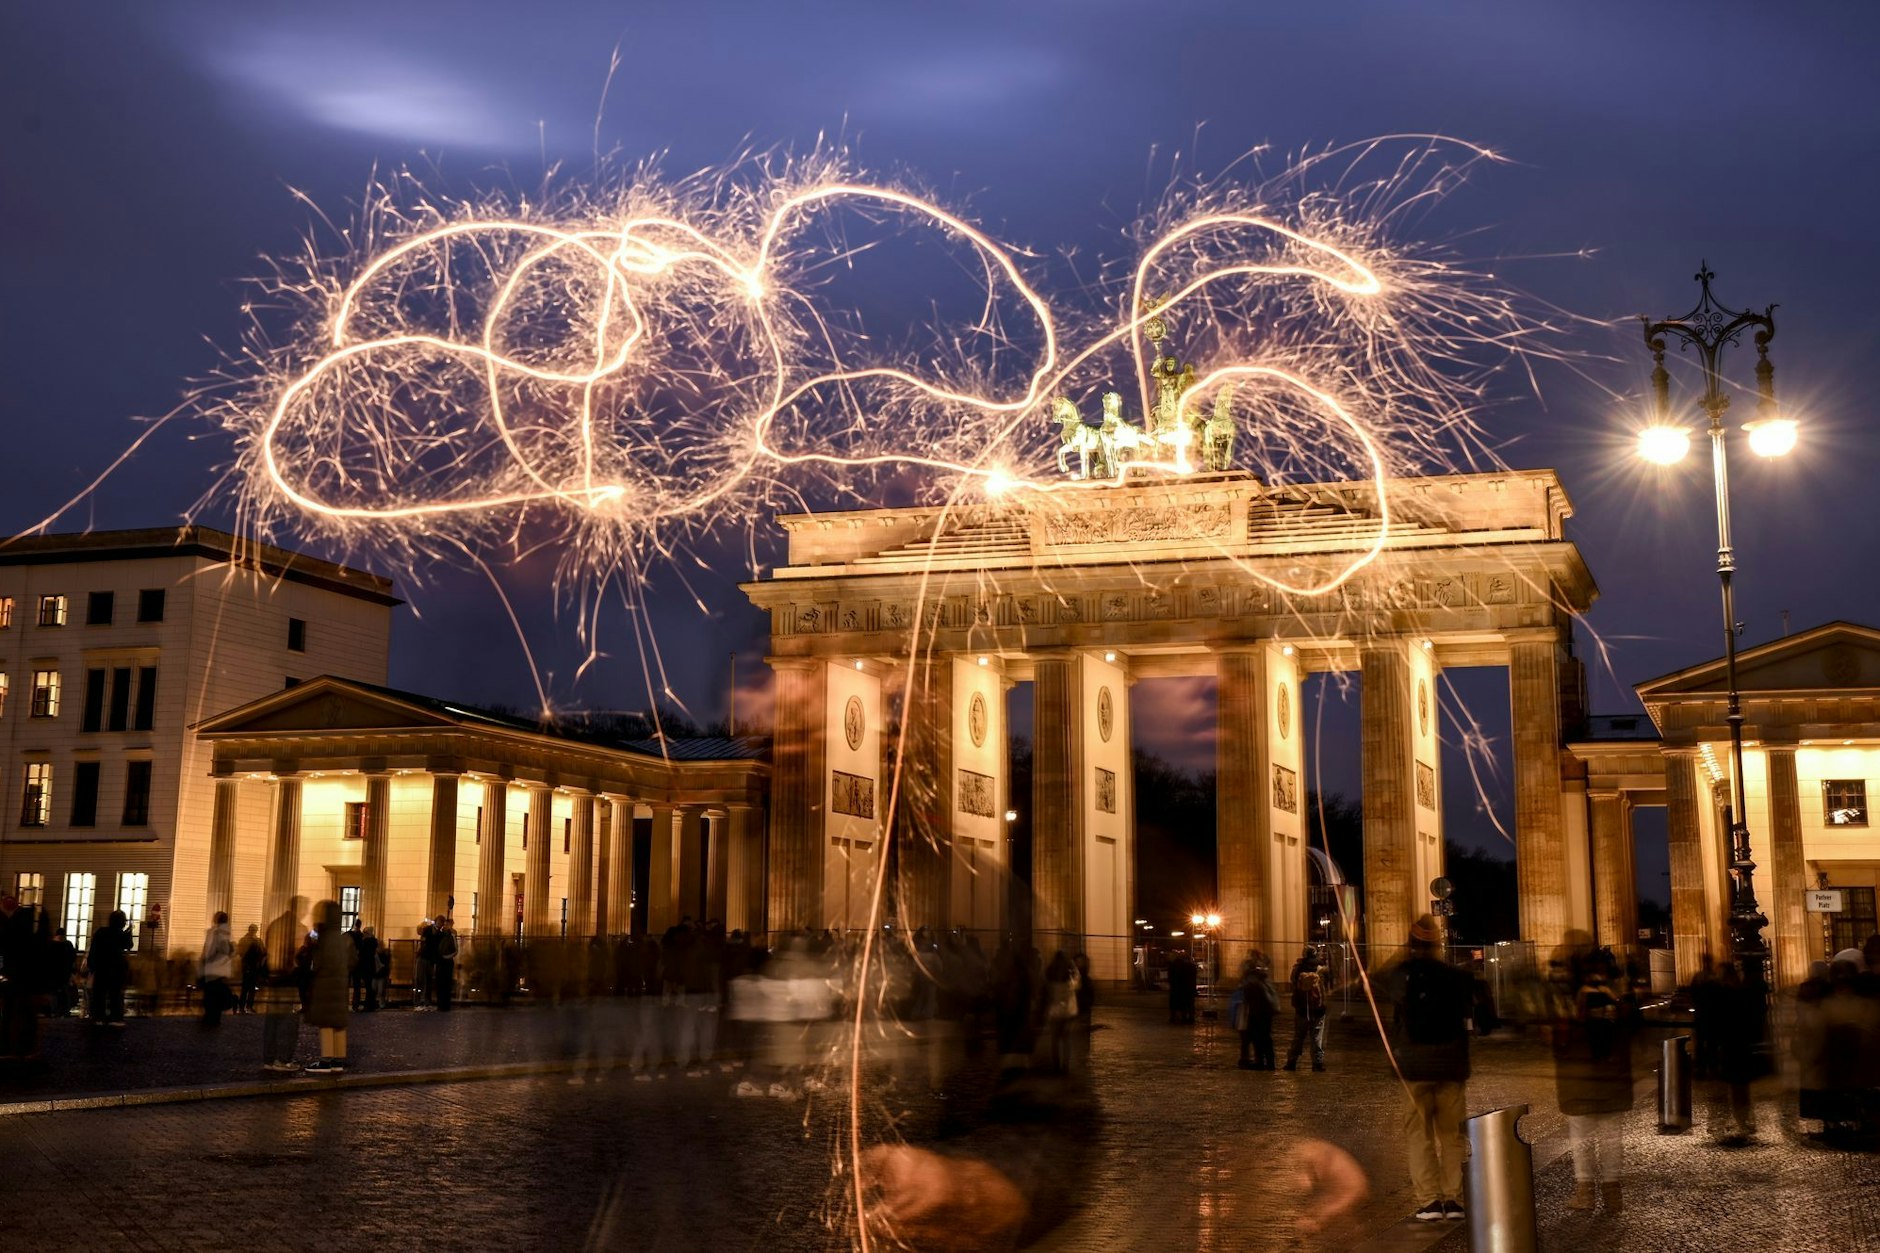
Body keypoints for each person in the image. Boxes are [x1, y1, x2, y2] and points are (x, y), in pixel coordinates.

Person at [1389, 914, 1477, 1222]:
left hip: (1414, 1068)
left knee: (1419, 1135)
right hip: (1451, 1066)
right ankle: (1453, 1200)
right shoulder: (1455, 976)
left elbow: (1383, 992)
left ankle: (1429, 1202)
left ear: (1411, 944)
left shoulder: (1403, 974)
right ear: (1438, 944)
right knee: (1451, 1135)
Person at [1552, 948, 1636, 1213]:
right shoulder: (1618, 999)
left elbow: (1561, 1042)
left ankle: (1585, 1194)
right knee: (1612, 1140)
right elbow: (1631, 1034)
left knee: (1581, 1141)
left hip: (1581, 1083)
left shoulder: (1572, 1001)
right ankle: (1613, 1197)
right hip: (1613, 1081)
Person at [303, 899, 350, 1073]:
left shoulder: (326, 938)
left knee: (326, 1024)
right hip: (339, 986)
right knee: (338, 1024)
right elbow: (351, 960)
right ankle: (338, 1060)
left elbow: (320, 963)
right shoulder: (341, 938)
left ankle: (325, 1060)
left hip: (326, 986)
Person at [1229, 957, 1280, 1070]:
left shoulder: (1250, 981)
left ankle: (1258, 1061)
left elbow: (1248, 999)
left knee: (1255, 1038)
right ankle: (1268, 1062)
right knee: (1265, 1039)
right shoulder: (1264, 979)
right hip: (1266, 1014)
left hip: (1255, 1014)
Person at [1284, 947, 1328, 1072]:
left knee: (1298, 1036)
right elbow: (1329, 979)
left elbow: (1292, 981)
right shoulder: (1321, 967)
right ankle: (1317, 1063)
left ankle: (1291, 1062)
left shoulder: (1298, 967)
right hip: (1318, 1009)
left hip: (1302, 1008)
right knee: (1317, 1037)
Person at [88, 910, 132, 1027]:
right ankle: (115, 1017)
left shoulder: (101, 932)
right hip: (116, 968)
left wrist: (91, 966)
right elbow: (128, 945)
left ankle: (98, 1017)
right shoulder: (120, 934)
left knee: (100, 994)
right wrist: (129, 933)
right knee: (115, 994)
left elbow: (94, 949)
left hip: (102, 967)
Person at [199, 911, 234, 1025]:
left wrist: (204, 961)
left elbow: (209, 951)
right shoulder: (229, 933)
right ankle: (215, 1018)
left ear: (216, 920)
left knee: (210, 995)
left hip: (212, 969)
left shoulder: (215, 932)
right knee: (218, 995)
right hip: (223, 969)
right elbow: (231, 951)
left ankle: (209, 1018)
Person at [46, 927, 78, 1018]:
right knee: (65, 992)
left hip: (53, 973)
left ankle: (54, 1011)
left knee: (54, 993)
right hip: (65, 973)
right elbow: (73, 959)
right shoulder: (68, 945)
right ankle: (65, 1011)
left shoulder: (51, 945)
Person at [237, 924, 267, 1013]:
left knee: (251, 988)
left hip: (254, 967)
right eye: (253, 930)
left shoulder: (258, 941)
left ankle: (249, 1006)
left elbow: (263, 953)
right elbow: (241, 953)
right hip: (248, 967)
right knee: (246, 988)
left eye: (255, 930)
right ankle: (243, 1006)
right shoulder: (245, 940)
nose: (254, 932)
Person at [433, 916, 458, 1012]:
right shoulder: (440, 934)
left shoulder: (452, 935)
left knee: (446, 984)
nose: (445, 926)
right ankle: (440, 1004)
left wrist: (446, 957)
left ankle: (446, 1005)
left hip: (447, 962)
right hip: (440, 962)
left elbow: (455, 950)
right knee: (439, 984)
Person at [353, 925, 381, 1011]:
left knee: (368, 986)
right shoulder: (374, 941)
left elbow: (362, 954)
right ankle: (370, 1005)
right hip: (371, 966)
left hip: (365, 966)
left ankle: (368, 1005)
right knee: (370, 987)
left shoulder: (365, 942)